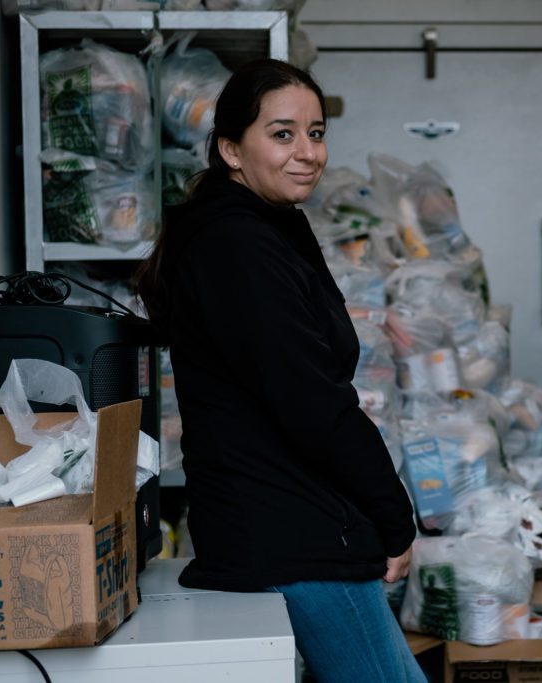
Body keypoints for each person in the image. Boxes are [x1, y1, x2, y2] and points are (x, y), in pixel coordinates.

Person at [137, 58, 425, 682]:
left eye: (316, 133)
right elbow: (311, 401)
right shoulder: (238, 244)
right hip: (293, 532)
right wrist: (394, 517)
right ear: (232, 150)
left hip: (281, 519)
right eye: (283, 133)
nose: (307, 153)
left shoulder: (264, 227)